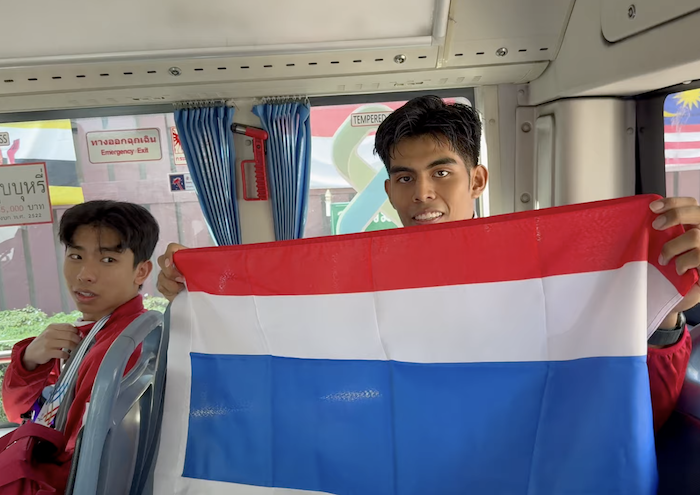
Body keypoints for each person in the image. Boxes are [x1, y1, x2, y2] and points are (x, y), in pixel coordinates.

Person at [156, 95, 699, 432]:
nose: (422, 193)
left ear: (477, 180)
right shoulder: (354, 279)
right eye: (405, 177)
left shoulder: (542, 274)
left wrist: (668, 311)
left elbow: (628, 405)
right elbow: (296, 362)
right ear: (389, 189)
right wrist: (202, 293)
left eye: (442, 172)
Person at [2, 200, 159, 476]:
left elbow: (76, 466)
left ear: (141, 271)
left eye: (108, 260)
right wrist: (29, 361)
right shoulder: (87, 335)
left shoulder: (121, 348)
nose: (85, 275)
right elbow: (23, 413)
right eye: (76, 256)